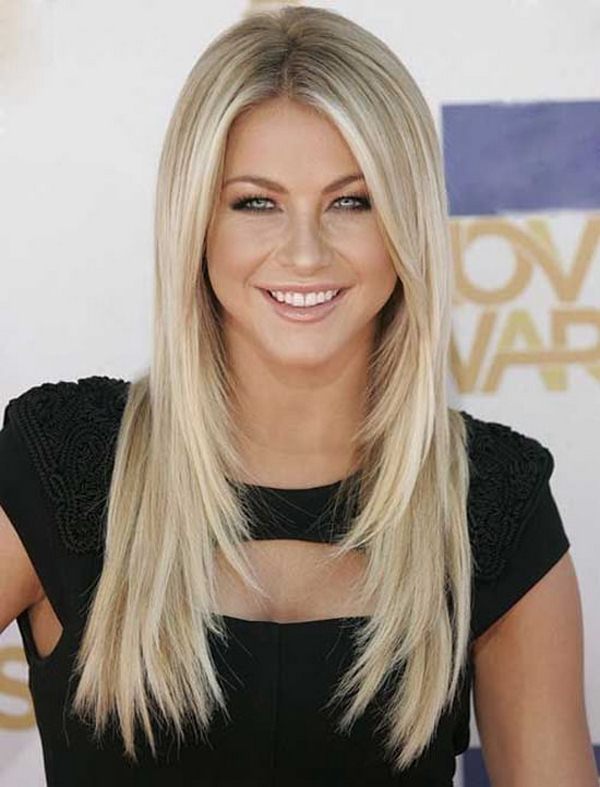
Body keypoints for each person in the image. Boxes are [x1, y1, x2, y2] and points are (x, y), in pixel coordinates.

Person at [0, 5, 596, 786]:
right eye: (257, 202)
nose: (305, 252)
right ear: (197, 223)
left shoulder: (490, 501)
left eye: (352, 201)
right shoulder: (65, 465)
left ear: (406, 223)